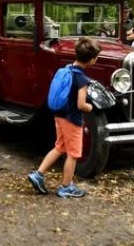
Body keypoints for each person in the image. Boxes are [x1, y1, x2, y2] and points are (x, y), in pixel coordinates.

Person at [27, 37, 100, 198]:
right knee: (73, 154)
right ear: (93, 60)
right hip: (72, 120)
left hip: (59, 116)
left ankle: (38, 174)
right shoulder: (82, 79)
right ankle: (66, 186)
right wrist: (89, 106)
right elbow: (81, 104)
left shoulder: (67, 69)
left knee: (60, 147)